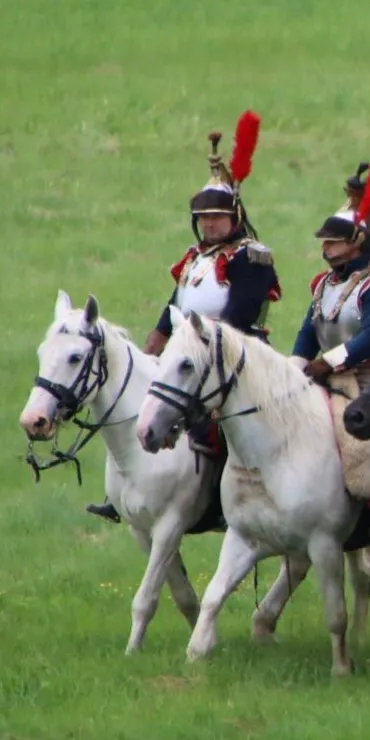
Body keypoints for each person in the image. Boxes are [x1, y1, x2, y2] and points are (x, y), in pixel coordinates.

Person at [87, 112, 280, 523]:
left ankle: (228, 500)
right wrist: (153, 345)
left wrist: (205, 352)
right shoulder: (194, 259)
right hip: (187, 349)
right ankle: (124, 490)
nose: (210, 224)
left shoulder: (251, 258)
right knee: (137, 400)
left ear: (235, 218)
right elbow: (173, 305)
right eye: (204, 218)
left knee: (220, 422)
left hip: (234, 355)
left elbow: (240, 315)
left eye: (218, 217)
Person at [288, 145, 370, 550]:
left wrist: (328, 362)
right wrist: (293, 368)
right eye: (325, 242)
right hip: (328, 374)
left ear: (356, 242)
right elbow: (309, 333)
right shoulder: (323, 285)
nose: (326, 249)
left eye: (334, 243)